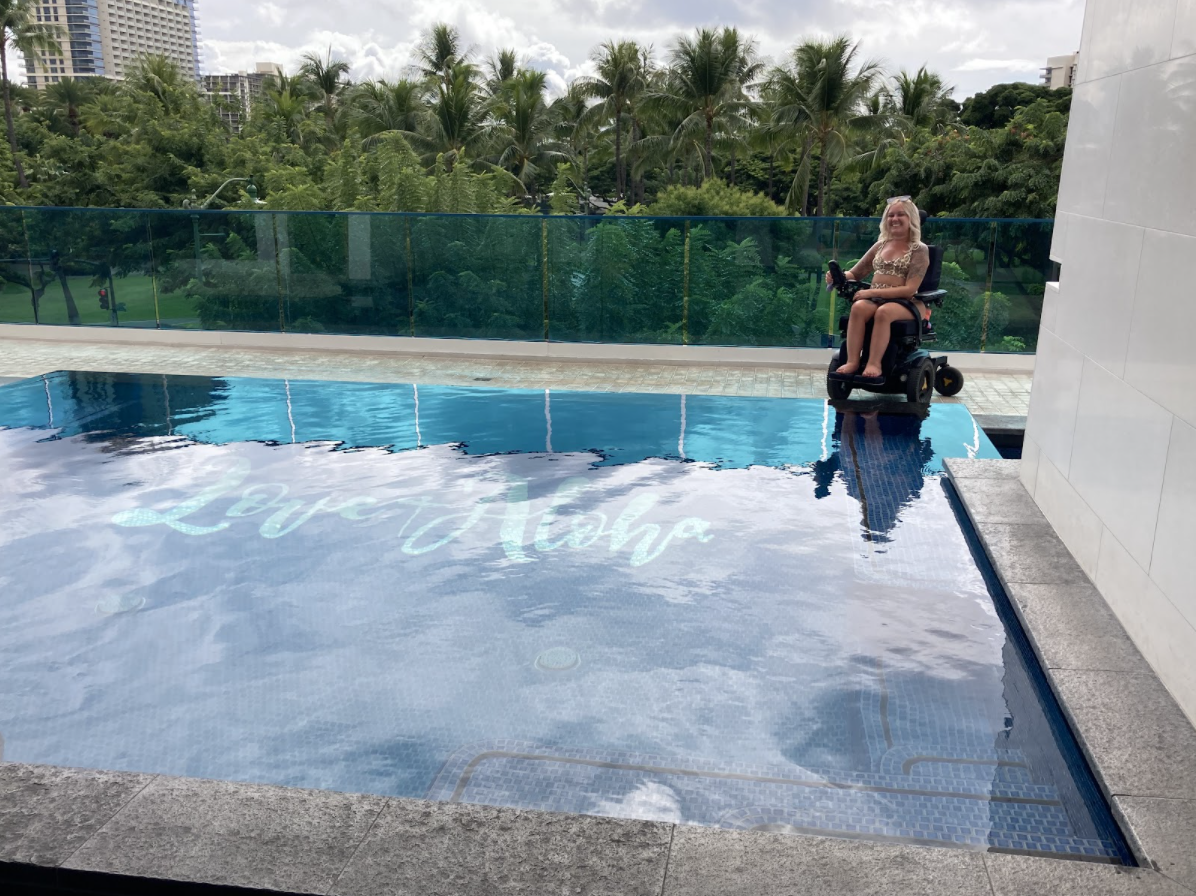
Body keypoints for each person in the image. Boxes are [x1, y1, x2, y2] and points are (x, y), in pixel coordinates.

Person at [825, 196, 930, 380]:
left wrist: (871, 292)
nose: (894, 219)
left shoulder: (919, 249)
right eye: (890, 215)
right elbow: (856, 273)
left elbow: (909, 290)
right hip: (876, 300)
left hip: (908, 303)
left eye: (900, 215)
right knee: (858, 307)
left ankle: (875, 363)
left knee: (884, 312)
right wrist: (839, 276)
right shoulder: (880, 245)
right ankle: (852, 361)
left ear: (911, 219)